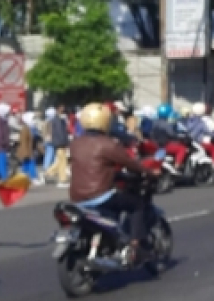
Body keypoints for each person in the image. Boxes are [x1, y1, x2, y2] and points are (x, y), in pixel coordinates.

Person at [68, 103, 158, 264]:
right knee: (136, 204)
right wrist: (149, 172)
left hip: (77, 197)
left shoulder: (76, 143)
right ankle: (135, 245)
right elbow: (130, 163)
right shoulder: (108, 144)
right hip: (100, 195)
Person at [46, 105, 71, 188]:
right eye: (61, 107)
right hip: (60, 143)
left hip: (61, 143)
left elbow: (63, 132)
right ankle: (62, 179)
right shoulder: (57, 120)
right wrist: (64, 142)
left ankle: (48, 173)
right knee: (62, 162)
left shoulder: (60, 119)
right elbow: (59, 133)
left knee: (60, 161)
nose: (63, 109)